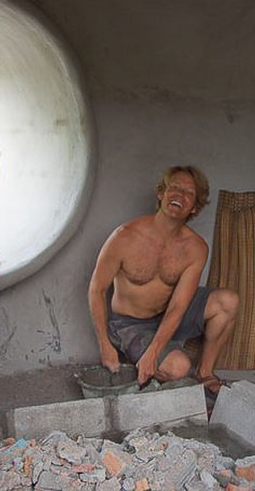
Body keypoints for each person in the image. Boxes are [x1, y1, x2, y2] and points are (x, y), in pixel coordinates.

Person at [87, 165, 239, 393]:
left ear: (195, 207)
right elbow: (96, 290)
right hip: (130, 323)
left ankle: (205, 373)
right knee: (178, 368)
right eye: (174, 188)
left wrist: (154, 352)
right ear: (161, 193)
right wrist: (104, 345)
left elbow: (178, 306)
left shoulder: (195, 248)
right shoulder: (124, 237)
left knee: (228, 301)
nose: (180, 195)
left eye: (189, 193)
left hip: (169, 314)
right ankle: (146, 357)